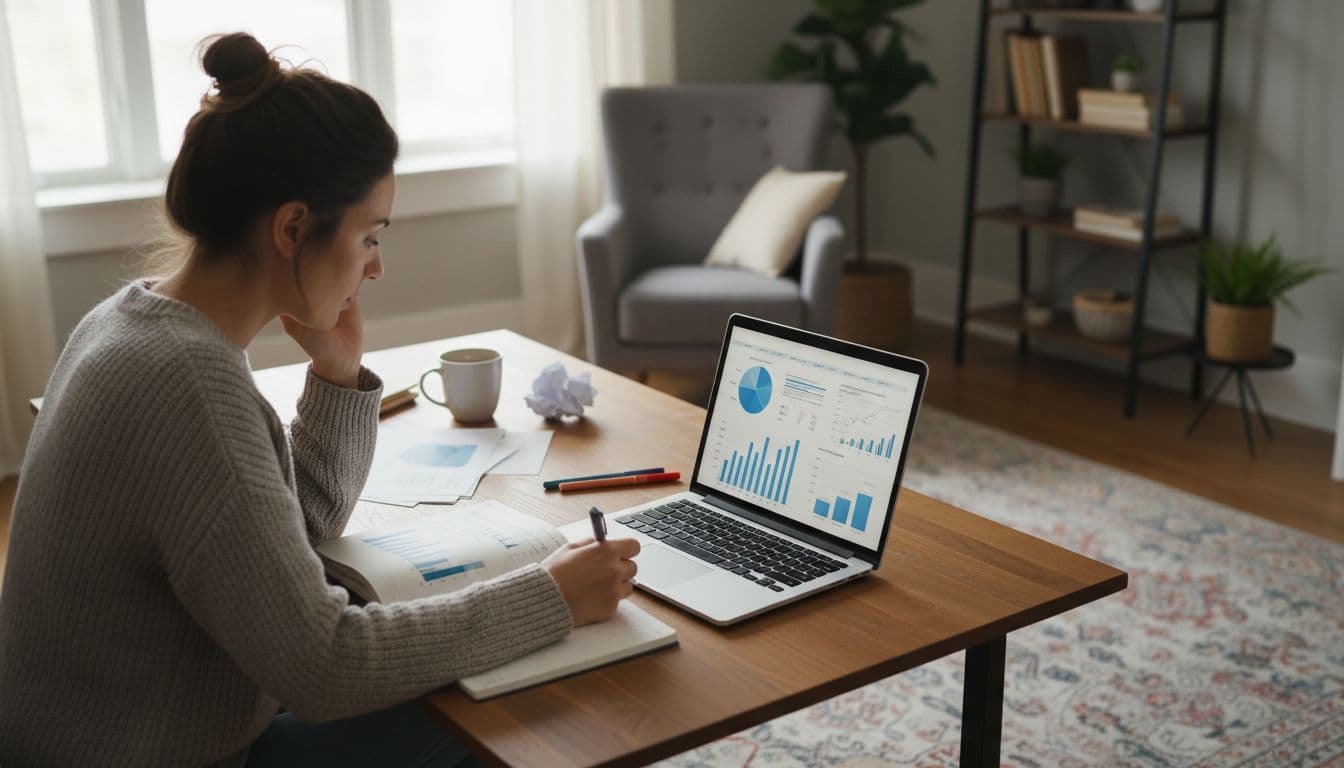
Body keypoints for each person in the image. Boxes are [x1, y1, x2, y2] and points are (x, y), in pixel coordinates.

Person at [0, 32, 639, 767]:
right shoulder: (190, 386)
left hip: (105, 731)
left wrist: (337, 376)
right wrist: (551, 596)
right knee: (502, 702)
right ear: (293, 228)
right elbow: (326, 666)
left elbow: (276, 546)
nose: (376, 267)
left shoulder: (128, 322)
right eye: (370, 236)